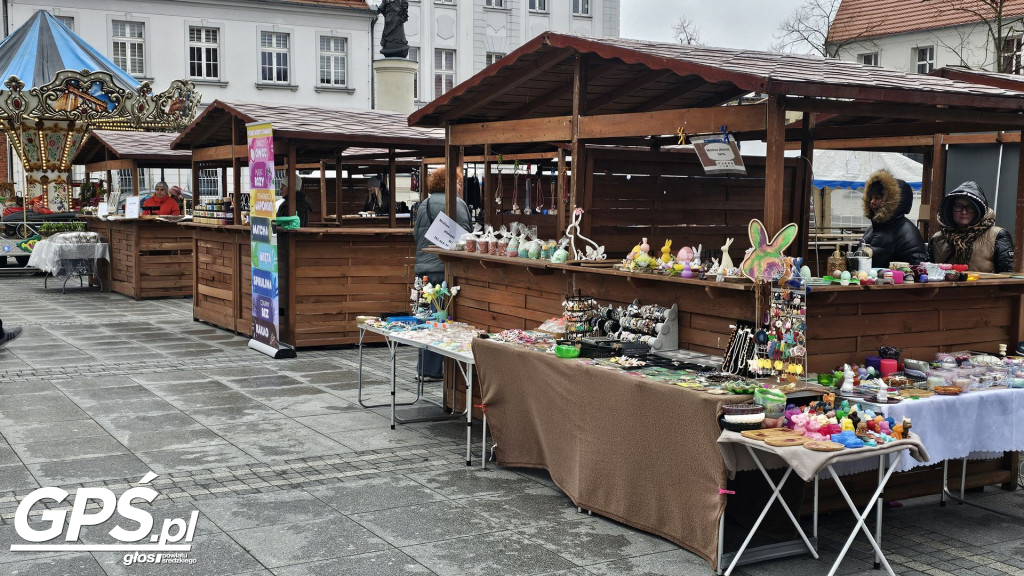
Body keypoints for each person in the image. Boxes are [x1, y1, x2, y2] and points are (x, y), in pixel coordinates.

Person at [413, 167, 471, 381]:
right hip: (443, 269)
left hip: (423, 269)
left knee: (425, 317)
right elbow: (466, 234)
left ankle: (424, 368)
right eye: (457, 182)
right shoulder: (457, 203)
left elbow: (415, 235)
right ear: (449, 183)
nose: (459, 186)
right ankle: (436, 370)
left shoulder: (424, 204)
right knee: (441, 317)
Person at [928, 181, 1014, 273]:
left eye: (970, 207)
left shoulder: (997, 236)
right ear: (950, 209)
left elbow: (1008, 275)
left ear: (978, 210)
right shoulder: (937, 239)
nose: (964, 212)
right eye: (958, 206)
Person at [858, 169, 927, 268]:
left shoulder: (908, 232)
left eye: (877, 198)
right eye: (871, 197)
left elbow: (917, 270)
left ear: (892, 202)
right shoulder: (872, 228)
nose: (872, 202)